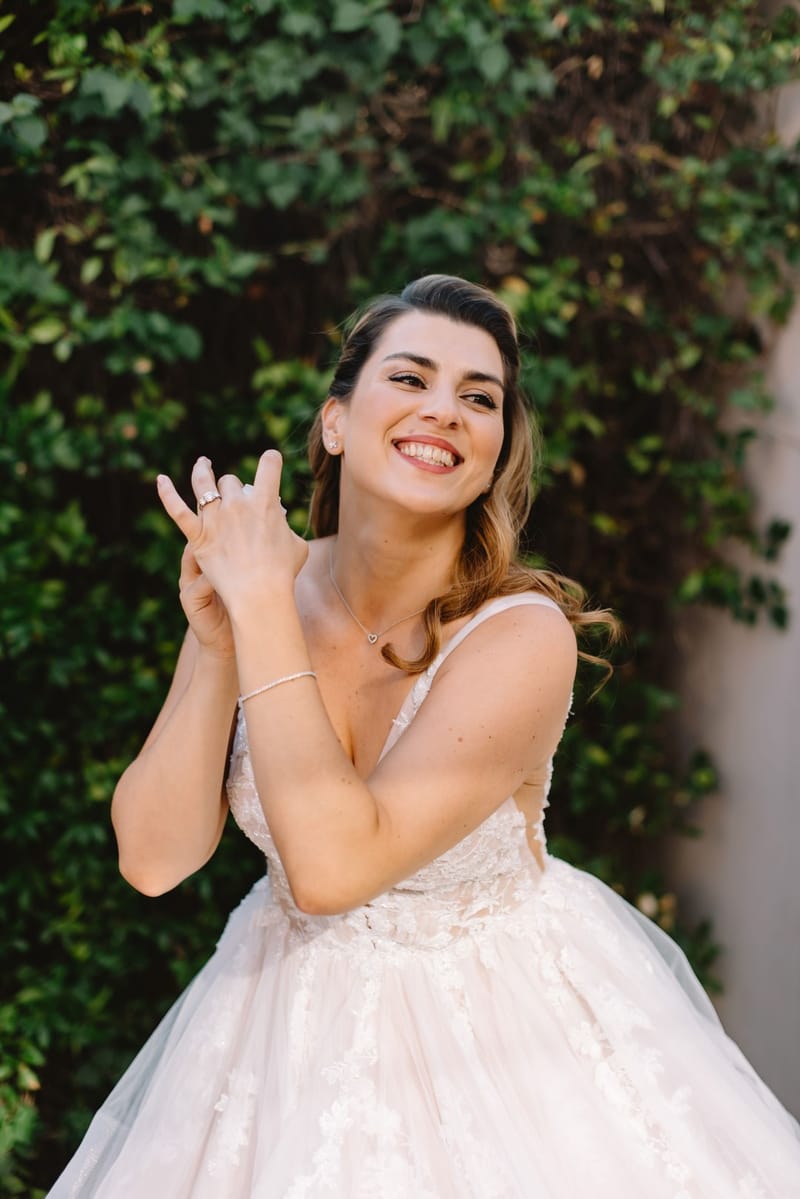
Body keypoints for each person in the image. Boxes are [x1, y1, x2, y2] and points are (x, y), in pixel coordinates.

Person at [49, 275, 800, 1198]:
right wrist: (217, 639)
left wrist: (260, 612)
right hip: (273, 1038)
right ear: (335, 421)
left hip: (499, 1050)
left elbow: (330, 871)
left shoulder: (521, 636)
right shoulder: (262, 585)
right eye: (410, 378)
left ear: (491, 454)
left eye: (477, 398)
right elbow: (154, 859)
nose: (443, 410)